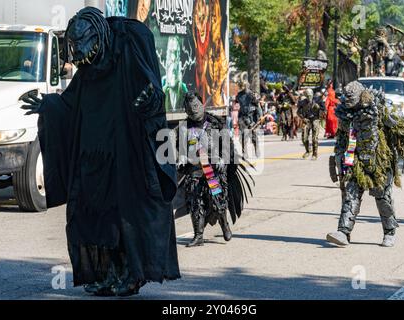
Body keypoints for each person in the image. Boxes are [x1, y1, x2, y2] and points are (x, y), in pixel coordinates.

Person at [21, 7, 180, 296]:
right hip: (93, 156)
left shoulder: (128, 45)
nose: (80, 53)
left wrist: (149, 100)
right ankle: (108, 273)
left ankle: (132, 275)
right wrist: (48, 105)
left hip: (126, 151)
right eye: (76, 46)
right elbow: (70, 104)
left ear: (97, 36)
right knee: (91, 215)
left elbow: (153, 88)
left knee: (127, 216)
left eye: (83, 44)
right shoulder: (88, 69)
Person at [327, 81, 404, 247]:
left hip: (381, 160)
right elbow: (342, 138)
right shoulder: (345, 113)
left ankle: (389, 232)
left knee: (382, 198)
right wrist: (338, 155)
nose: (348, 101)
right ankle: (343, 232)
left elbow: (402, 131)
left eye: (352, 98)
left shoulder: (380, 108)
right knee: (351, 195)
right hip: (356, 160)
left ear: (361, 96)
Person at [176, 93, 254, 247]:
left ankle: (224, 224)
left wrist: (223, 160)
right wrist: (182, 158)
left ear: (202, 105)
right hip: (195, 169)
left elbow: (228, 147)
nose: (194, 111)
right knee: (195, 201)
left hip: (213, 169)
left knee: (217, 200)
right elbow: (181, 149)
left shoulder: (216, 123)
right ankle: (198, 236)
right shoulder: (184, 127)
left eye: (196, 106)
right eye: (190, 109)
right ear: (186, 110)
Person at [297, 88, 326, 160]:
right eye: (307, 96)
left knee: (314, 138)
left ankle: (315, 154)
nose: (309, 97)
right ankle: (308, 150)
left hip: (315, 119)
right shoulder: (302, 102)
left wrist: (318, 107)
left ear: (312, 94)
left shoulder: (318, 100)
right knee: (304, 138)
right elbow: (298, 112)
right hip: (307, 120)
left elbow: (324, 110)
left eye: (310, 95)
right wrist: (303, 118)